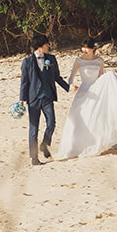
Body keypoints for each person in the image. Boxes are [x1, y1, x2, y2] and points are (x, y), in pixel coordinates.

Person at [54, 39, 117, 160]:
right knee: (81, 117)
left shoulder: (99, 61)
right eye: (82, 48)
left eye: (86, 48)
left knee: (99, 115)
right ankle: (80, 144)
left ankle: (99, 140)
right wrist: (70, 86)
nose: (84, 50)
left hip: (97, 89)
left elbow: (101, 77)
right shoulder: (79, 61)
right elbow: (70, 78)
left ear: (93, 48)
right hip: (84, 90)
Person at [19, 33, 69, 166]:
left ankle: (45, 144)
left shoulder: (51, 59)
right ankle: (34, 158)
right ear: (41, 46)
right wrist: (22, 99)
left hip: (48, 97)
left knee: (51, 123)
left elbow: (57, 77)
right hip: (33, 99)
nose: (49, 46)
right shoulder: (27, 62)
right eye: (47, 43)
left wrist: (68, 88)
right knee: (33, 129)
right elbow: (24, 82)